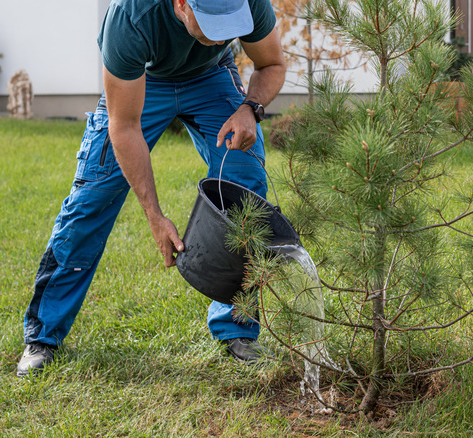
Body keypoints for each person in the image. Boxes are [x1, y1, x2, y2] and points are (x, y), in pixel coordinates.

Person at [16, 0, 286, 377]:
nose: (225, 35)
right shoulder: (131, 18)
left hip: (211, 78)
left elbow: (271, 64)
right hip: (143, 81)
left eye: (231, 24)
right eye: (212, 24)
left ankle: (236, 326)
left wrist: (249, 109)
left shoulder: (248, 2)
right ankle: (43, 335)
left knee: (245, 182)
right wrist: (155, 216)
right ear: (181, 5)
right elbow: (124, 127)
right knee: (91, 198)